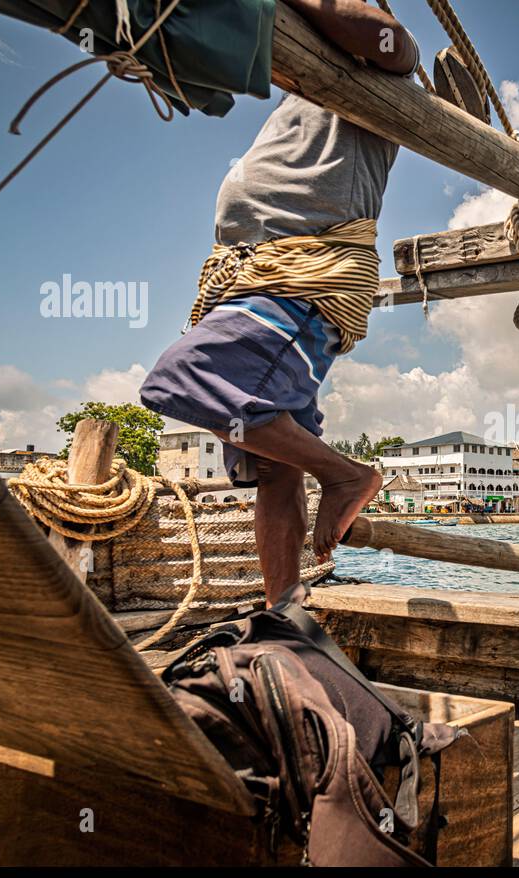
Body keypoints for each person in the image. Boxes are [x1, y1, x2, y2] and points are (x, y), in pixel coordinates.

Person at [140, 0, 420, 605]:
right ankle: (284, 610)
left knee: (187, 377)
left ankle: (347, 474)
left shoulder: (384, 68)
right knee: (272, 461)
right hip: (256, 278)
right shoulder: (310, 82)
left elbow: (392, 39)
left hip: (300, 277)